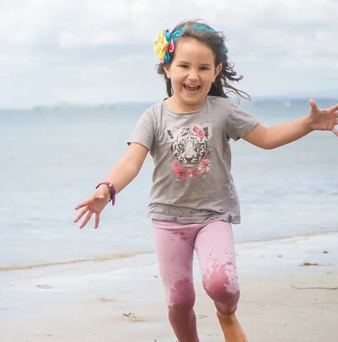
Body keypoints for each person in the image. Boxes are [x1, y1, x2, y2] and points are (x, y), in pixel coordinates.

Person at [73, 19, 338, 342]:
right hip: (167, 219)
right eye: (184, 65)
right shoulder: (153, 117)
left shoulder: (223, 111)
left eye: (203, 67)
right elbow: (131, 161)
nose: (193, 75)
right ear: (167, 67)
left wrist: (307, 124)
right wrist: (106, 188)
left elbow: (267, 137)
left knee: (220, 283)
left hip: (214, 214)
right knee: (179, 300)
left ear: (216, 71)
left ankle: (227, 315)